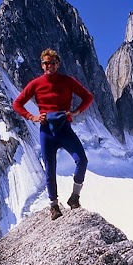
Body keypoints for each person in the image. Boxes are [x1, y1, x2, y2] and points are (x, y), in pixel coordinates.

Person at [13, 48, 94, 220]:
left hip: (64, 128)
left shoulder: (68, 81)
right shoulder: (36, 84)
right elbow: (17, 103)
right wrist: (32, 117)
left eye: (52, 63)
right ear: (42, 65)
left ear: (58, 64)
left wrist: (76, 112)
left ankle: (74, 197)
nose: (49, 66)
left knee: (82, 160)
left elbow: (88, 97)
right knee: (50, 170)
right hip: (46, 130)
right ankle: (54, 205)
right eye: (46, 63)